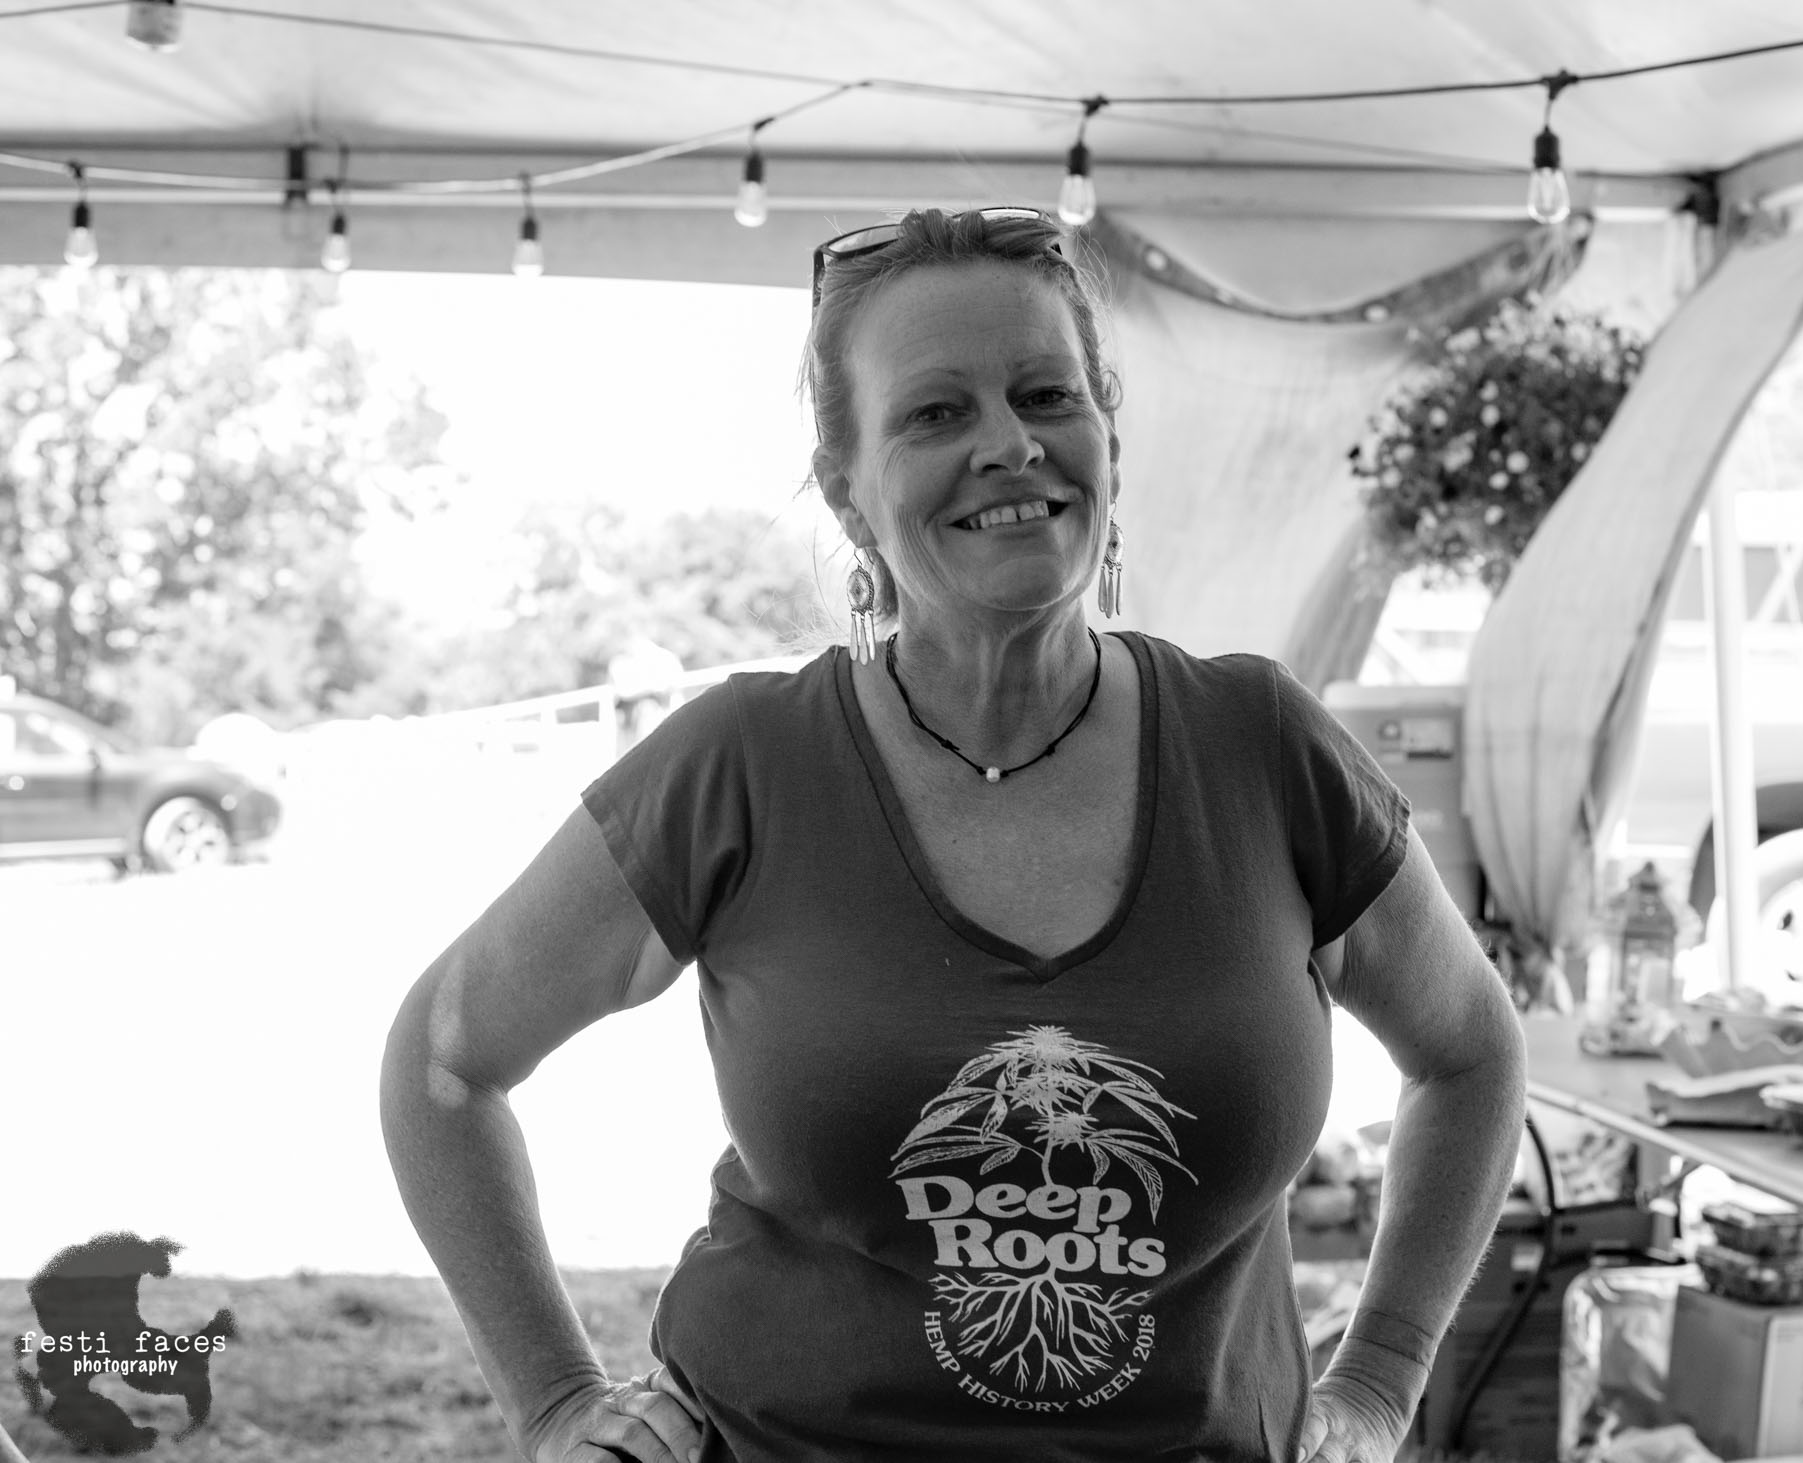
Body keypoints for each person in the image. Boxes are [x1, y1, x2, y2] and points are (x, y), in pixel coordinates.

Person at [380, 205, 1527, 1463]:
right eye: (934, 413)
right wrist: (555, 1399)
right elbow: (446, 1057)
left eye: (1046, 395)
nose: (1009, 444)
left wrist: (1379, 1380)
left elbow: (1468, 1051)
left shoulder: (1259, 746)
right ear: (847, 491)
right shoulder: (740, 766)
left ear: (1105, 435)